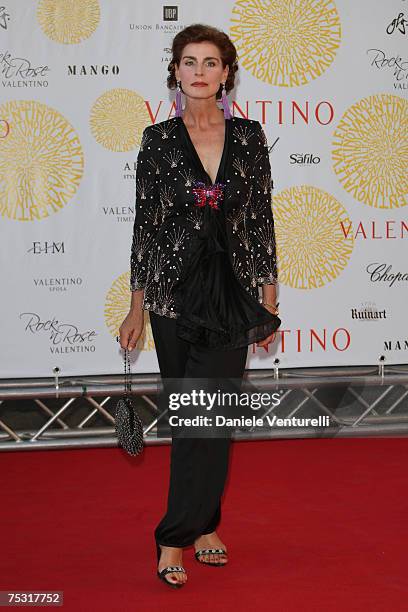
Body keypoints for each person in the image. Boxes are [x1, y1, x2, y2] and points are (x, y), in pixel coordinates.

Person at [119, 23, 280, 589]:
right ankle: (203, 526)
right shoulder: (158, 139)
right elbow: (146, 226)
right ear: (176, 71)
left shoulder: (251, 137)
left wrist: (268, 298)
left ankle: (173, 535)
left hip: (231, 297)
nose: (200, 72)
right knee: (194, 420)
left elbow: (259, 218)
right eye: (190, 62)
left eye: (211, 62)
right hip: (170, 295)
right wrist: (136, 306)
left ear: (226, 73)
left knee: (211, 420)